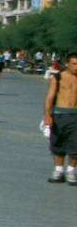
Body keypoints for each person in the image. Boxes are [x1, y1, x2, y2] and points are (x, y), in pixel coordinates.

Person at [44, 51, 77, 184]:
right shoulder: (57, 78)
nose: (76, 67)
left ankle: (71, 171)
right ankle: (58, 170)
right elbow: (49, 98)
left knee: (75, 145)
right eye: (74, 64)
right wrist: (47, 115)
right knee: (57, 143)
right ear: (67, 64)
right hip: (59, 115)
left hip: (75, 115)